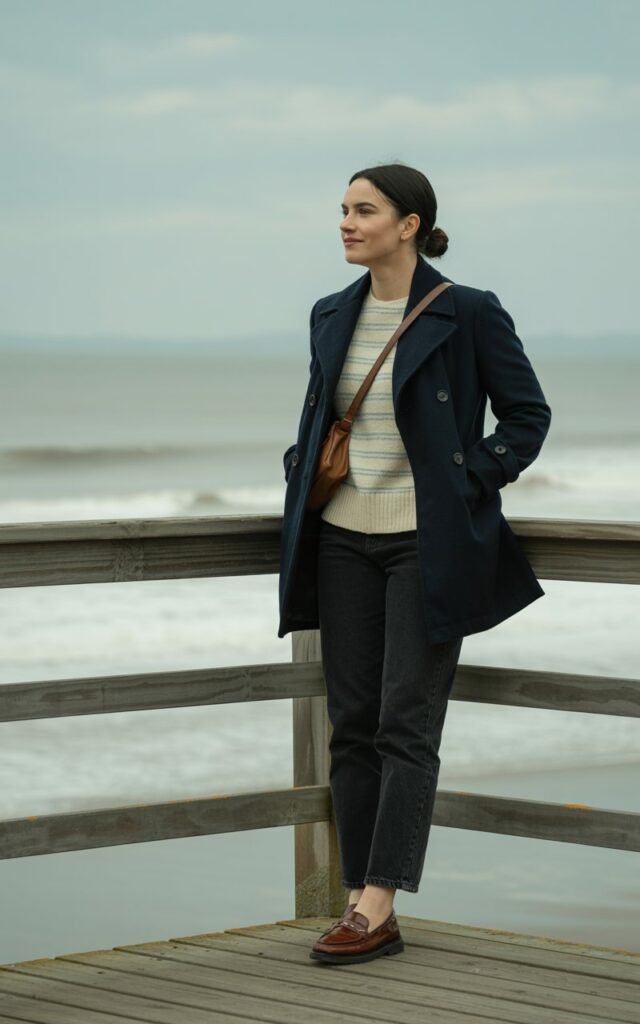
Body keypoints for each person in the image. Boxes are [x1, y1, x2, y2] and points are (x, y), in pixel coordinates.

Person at [279, 163, 552, 965]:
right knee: (351, 724)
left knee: (406, 722)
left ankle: (377, 903)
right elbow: (317, 417)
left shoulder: (467, 312)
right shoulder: (331, 314)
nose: (345, 222)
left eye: (363, 210)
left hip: (426, 543)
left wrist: (469, 477)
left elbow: (527, 416)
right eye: (341, 209)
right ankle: (363, 895)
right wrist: (302, 471)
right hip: (341, 538)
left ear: (409, 224)